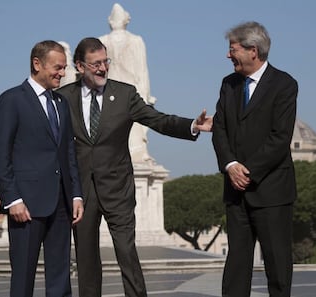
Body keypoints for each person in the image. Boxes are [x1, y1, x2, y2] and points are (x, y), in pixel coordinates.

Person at [57, 37, 212, 297]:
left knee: (127, 253)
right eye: (95, 64)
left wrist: (192, 126)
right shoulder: (63, 98)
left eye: (105, 62)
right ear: (80, 66)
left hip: (118, 189)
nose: (103, 69)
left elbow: (157, 119)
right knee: (85, 258)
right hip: (80, 192)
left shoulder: (125, 94)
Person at [0, 40, 83, 297]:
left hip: (62, 206)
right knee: (22, 278)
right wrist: (13, 199)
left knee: (61, 278)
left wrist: (75, 194)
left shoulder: (61, 104)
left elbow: (68, 154)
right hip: (26, 207)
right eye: (57, 67)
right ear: (37, 64)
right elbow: (0, 155)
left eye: (64, 68)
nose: (62, 74)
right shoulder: (11, 100)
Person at [212, 21, 298, 297]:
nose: (228, 55)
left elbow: (279, 138)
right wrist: (230, 166)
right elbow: (220, 129)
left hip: (271, 191)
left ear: (253, 50)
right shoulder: (229, 84)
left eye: (232, 49)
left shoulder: (285, 85)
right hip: (236, 194)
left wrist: (246, 171)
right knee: (236, 267)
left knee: (278, 267)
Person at [99, 3, 155, 162]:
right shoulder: (136, 40)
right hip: (129, 87)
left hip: (109, 88)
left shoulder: (101, 41)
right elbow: (142, 71)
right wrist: (147, 94)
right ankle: (136, 152)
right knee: (133, 124)